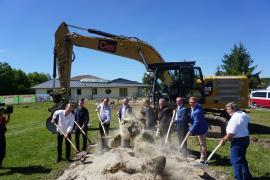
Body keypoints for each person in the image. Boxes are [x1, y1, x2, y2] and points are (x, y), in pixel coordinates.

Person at [219, 102, 252, 180]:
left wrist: (223, 140)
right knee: (242, 159)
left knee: (235, 161)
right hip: (245, 139)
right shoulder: (244, 114)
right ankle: (247, 177)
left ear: (233, 109)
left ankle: (238, 178)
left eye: (228, 109)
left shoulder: (235, 117)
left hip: (238, 141)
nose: (227, 111)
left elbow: (231, 133)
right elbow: (247, 122)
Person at [189, 97, 208, 163]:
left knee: (202, 144)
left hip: (201, 129)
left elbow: (196, 122)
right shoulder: (194, 108)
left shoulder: (197, 111)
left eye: (193, 102)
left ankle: (203, 159)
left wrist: (191, 131)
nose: (192, 103)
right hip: (198, 129)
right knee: (200, 144)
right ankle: (201, 156)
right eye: (191, 102)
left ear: (196, 102)